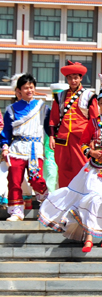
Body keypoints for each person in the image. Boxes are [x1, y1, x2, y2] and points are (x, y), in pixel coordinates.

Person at [39, 76, 102, 252]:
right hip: (94, 166)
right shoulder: (93, 122)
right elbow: (83, 143)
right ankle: (89, 236)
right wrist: (92, 152)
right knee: (90, 197)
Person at [1, 74, 50, 221]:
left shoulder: (43, 108)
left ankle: (47, 206)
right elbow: (7, 131)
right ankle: (16, 212)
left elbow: (50, 128)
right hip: (17, 148)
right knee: (14, 180)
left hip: (35, 148)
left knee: (36, 179)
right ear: (19, 90)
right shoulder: (11, 109)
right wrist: (4, 146)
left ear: (34, 89)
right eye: (25, 88)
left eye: (31, 87)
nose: (29, 90)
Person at [49, 60, 99, 189]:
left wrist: (94, 139)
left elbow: (94, 119)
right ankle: (65, 203)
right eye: (70, 78)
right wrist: (51, 137)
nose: (73, 81)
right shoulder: (59, 97)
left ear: (81, 78)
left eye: (76, 78)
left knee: (83, 168)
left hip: (82, 139)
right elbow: (53, 119)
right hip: (63, 140)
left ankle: (82, 202)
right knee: (63, 171)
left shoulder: (89, 96)